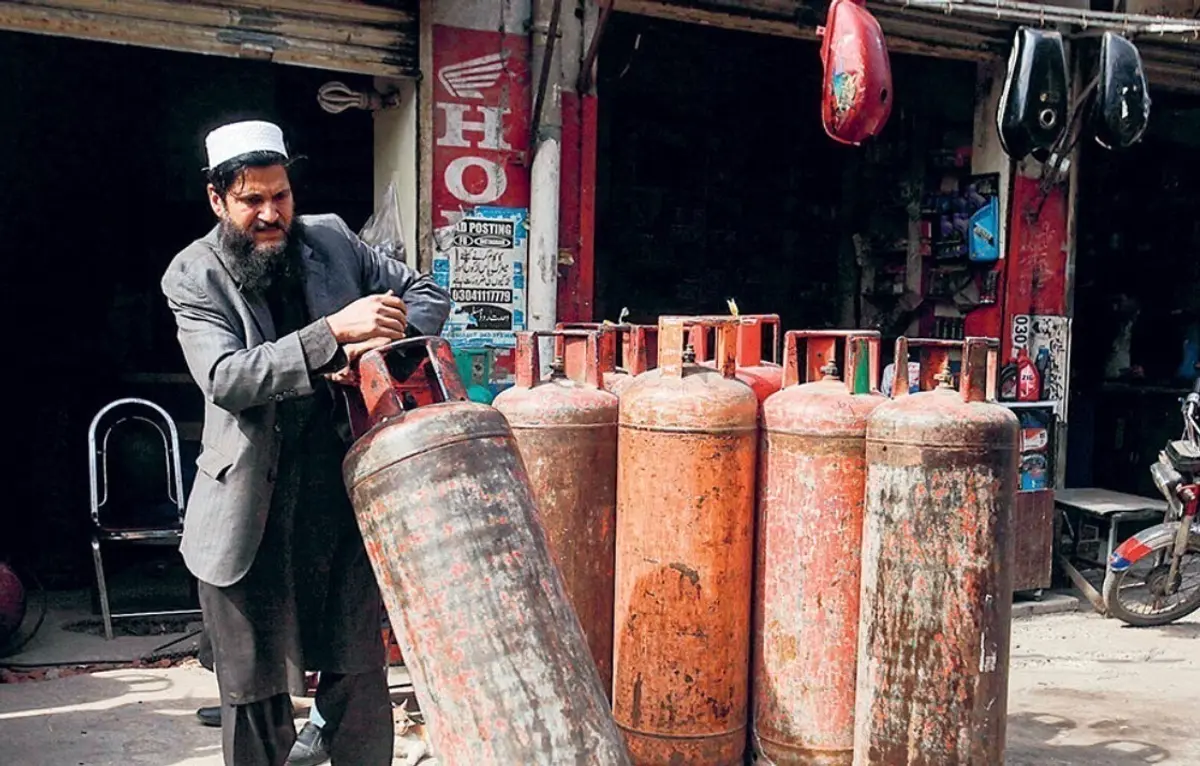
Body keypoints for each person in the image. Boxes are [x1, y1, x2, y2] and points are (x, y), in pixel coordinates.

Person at [162, 120, 451, 766]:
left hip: (338, 509)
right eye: (251, 200)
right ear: (217, 200)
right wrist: (332, 335)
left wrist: (382, 346)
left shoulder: (331, 237)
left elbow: (427, 293)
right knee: (256, 699)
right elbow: (227, 378)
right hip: (249, 519)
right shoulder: (193, 275)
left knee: (359, 679)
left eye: (281, 196)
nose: (271, 215)